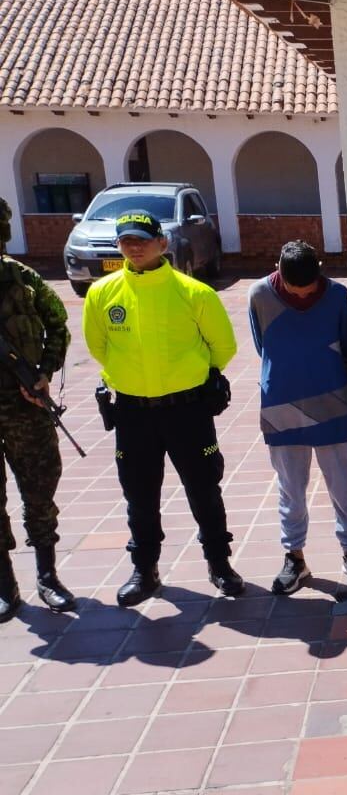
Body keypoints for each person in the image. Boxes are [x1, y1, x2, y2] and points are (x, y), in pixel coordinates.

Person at [83, 210, 241, 606]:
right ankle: (145, 570)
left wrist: (188, 376)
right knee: (139, 495)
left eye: (141, 239)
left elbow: (223, 347)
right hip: (133, 414)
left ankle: (219, 564)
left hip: (187, 411)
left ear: (162, 243)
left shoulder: (194, 292)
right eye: (125, 241)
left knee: (204, 489)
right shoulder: (102, 294)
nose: (133, 247)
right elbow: (97, 347)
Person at [249, 240, 347, 595]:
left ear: (320, 268)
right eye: (293, 288)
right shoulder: (258, 294)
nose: (303, 293)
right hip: (281, 406)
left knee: (344, 487)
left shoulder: (335, 295)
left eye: (309, 286)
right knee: (290, 490)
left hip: (333, 403)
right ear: (278, 271)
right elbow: (263, 346)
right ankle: (295, 558)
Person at [0, 196, 75, 621]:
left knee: (40, 488)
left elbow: (58, 327)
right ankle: (5, 585)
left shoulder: (22, 279)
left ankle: (47, 577)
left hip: (26, 404)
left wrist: (44, 372)